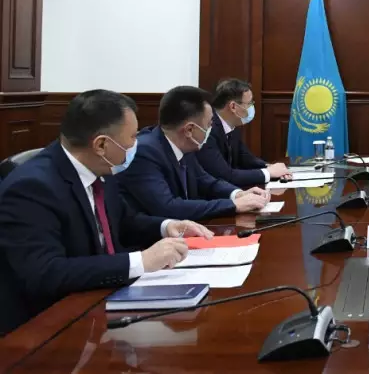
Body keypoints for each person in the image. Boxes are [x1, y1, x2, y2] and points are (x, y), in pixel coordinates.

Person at [0, 90, 213, 335]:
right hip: (48, 325)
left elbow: (125, 220)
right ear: (101, 145)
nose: (136, 143)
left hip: (101, 301)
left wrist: (166, 226)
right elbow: (47, 273)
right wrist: (141, 261)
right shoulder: (31, 188)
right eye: (132, 137)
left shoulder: (100, 167)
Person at [119, 86, 269, 221]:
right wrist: (233, 205)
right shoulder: (145, 153)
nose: (211, 128)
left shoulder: (185, 145)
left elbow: (205, 181)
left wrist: (237, 194)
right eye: (209, 124)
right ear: (189, 130)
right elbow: (168, 207)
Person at [196, 78, 291, 187]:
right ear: (233, 107)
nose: (252, 107)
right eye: (249, 103)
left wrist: (269, 167)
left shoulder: (232, 125)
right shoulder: (207, 130)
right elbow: (226, 175)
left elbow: (245, 158)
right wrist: (268, 173)